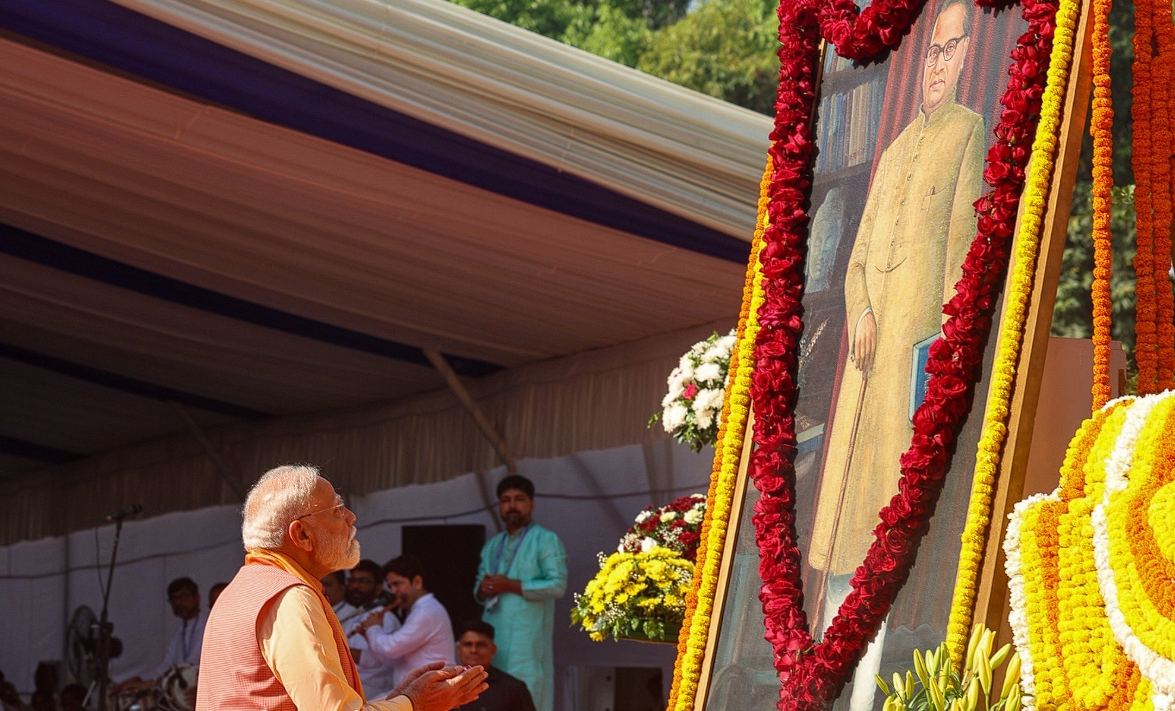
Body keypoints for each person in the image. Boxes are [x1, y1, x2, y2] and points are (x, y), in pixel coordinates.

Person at [807, 1, 984, 708]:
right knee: (841, 534)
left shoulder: (967, 134)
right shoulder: (892, 152)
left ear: (968, 55)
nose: (935, 68)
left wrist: (936, 361)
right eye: (929, 54)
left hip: (909, 376)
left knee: (884, 538)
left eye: (948, 52)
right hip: (862, 370)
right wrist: (863, 311)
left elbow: (962, 264)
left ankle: (866, 691)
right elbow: (853, 262)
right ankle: (818, 680)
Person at [195, 464, 486, 711]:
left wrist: (400, 699)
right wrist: (413, 703)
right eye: (336, 509)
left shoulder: (238, 591)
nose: (351, 517)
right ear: (302, 534)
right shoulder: (291, 597)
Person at [473, 475, 566, 711]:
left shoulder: (546, 540)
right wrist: (482, 590)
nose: (512, 505)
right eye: (505, 500)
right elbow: (478, 588)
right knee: (492, 696)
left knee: (528, 694)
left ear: (531, 504)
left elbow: (557, 585)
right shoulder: (493, 545)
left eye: (519, 499)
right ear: (500, 506)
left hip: (528, 639)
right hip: (494, 636)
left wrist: (510, 585)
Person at [357, 555, 456, 687]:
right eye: (391, 586)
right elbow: (392, 659)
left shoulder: (426, 611)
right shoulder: (419, 610)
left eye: (397, 584)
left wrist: (373, 628)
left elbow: (391, 649)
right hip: (419, 693)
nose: (393, 591)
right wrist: (368, 635)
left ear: (417, 582)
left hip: (430, 693)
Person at [117, 577, 208, 691]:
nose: (179, 603)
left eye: (184, 596)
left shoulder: (206, 624)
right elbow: (165, 667)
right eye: (174, 599)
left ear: (197, 597)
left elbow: (190, 667)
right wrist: (138, 679)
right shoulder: (180, 631)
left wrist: (151, 684)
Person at [452, 621, 535, 711]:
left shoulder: (513, 688)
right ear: (459, 650)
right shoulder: (449, 685)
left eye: (481, 645)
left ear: (493, 650)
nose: (474, 650)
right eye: (468, 644)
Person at [343, 560, 397, 697]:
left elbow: (382, 659)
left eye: (364, 581)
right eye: (353, 580)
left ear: (378, 589)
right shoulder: (352, 616)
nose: (355, 586)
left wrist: (338, 649)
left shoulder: (385, 617)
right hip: (350, 692)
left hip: (375, 694)